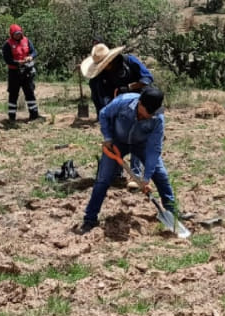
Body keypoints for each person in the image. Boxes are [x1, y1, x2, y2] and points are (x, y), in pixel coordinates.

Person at [80, 87, 187, 234]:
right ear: (140, 103)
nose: (149, 116)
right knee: (103, 179)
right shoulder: (123, 102)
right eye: (147, 112)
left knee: (161, 174)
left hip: (141, 144)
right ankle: (90, 218)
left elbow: (154, 149)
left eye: (152, 113)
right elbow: (104, 114)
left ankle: (172, 212)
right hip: (117, 141)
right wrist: (108, 137)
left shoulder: (158, 118)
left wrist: (146, 177)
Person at [81, 42, 154, 114]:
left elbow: (147, 78)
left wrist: (129, 87)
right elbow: (104, 95)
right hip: (120, 103)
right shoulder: (102, 75)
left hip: (140, 98)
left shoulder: (129, 60)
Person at [1, 24, 40, 122]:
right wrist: (18, 63)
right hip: (14, 72)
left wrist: (30, 57)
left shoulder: (26, 40)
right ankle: (12, 117)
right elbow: (7, 60)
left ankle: (34, 115)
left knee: (30, 92)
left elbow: (34, 51)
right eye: (16, 34)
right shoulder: (7, 44)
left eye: (19, 33)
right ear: (12, 34)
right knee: (13, 94)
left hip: (27, 71)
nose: (18, 35)